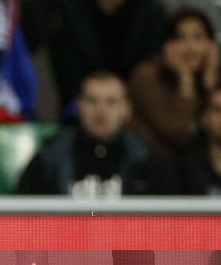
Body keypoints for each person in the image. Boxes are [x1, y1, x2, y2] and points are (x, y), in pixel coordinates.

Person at [17, 70, 162, 196]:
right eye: (92, 101)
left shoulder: (144, 158)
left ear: (126, 110)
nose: (101, 111)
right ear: (79, 106)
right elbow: (23, 211)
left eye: (111, 102)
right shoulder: (52, 154)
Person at [128, 8, 221, 155]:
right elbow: (177, 132)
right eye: (180, 39)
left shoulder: (214, 75)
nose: (190, 47)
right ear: (166, 45)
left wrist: (210, 84)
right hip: (154, 161)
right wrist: (185, 80)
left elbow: (218, 129)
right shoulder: (147, 75)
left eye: (198, 38)